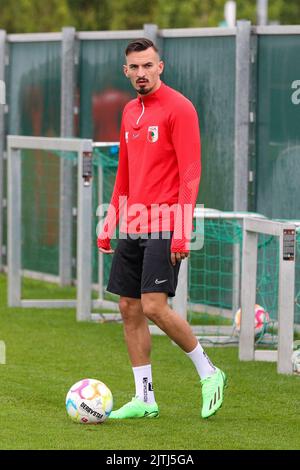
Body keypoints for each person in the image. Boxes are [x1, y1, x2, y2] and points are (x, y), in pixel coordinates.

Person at [97, 38, 227, 419]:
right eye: (134, 67)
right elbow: (125, 172)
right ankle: (145, 398)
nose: (141, 73)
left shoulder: (180, 108)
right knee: (128, 306)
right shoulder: (128, 112)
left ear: (161, 66)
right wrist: (110, 222)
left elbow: (190, 173)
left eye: (148, 66)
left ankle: (210, 371)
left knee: (154, 306)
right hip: (133, 221)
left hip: (167, 222)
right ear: (126, 71)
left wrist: (182, 232)